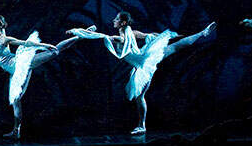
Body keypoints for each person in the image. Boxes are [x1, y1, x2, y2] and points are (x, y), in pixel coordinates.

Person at [69, 12, 216, 134]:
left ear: (123, 23)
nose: (114, 20)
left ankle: (142, 125)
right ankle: (201, 34)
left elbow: (102, 36)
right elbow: (149, 35)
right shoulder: (132, 33)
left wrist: (78, 31)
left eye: (116, 19)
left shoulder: (122, 37)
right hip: (144, 59)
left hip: (143, 64)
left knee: (140, 96)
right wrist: (169, 37)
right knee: (175, 47)